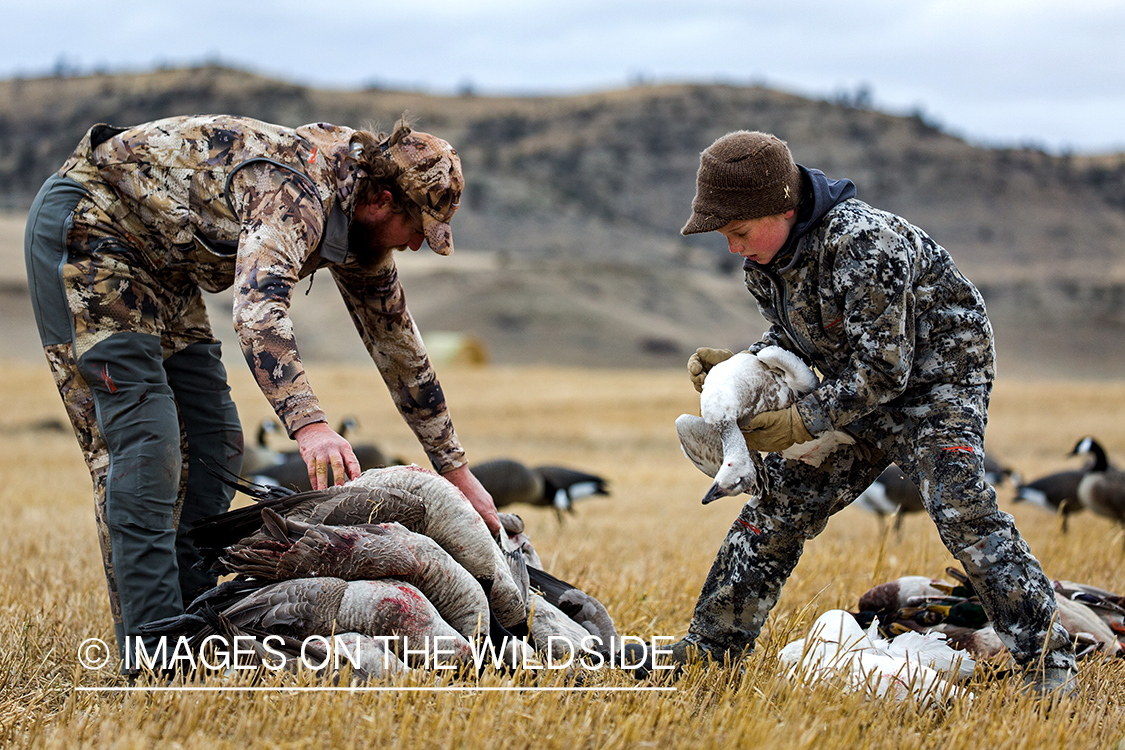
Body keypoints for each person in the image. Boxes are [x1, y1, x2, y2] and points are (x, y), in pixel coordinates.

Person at [23, 114, 500, 668]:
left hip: (164, 268)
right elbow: (257, 311)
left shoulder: (360, 232)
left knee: (215, 441)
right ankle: (153, 651)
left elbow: (400, 349)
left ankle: (192, 625)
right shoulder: (297, 193)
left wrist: (455, 469)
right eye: (418, 228)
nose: (418, 246)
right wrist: (311, 426)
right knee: (147, 443)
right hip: (93, 230)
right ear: (383, 200)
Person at [660, 130, 1077, 697]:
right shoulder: (765, 260)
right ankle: (710, 652)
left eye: (737, 232)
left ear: (782, 207)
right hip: (856, 385)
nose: (732, 248)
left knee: (961, 509)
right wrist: (743, 367)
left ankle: (1048, 664)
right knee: (780, 503)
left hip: (938, 381)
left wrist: (799, 423)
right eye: (724, 236)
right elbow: (799, 339)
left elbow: (885, 370)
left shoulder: (864, 243)